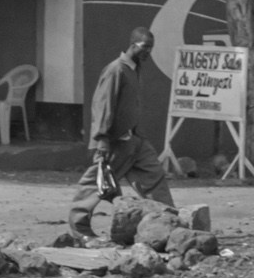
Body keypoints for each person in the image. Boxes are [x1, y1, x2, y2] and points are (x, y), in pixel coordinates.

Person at [68, 26, 175, 239]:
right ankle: (78, 229)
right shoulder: (116, 70)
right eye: (145, 47)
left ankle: (171, 223)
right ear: (133, 44)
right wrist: (102, 140)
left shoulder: (134, 69)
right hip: (115, 141)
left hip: (135, 139)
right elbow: (103, 105)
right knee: (96, 184)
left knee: (154, 177)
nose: (148, 53)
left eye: (151, 49)